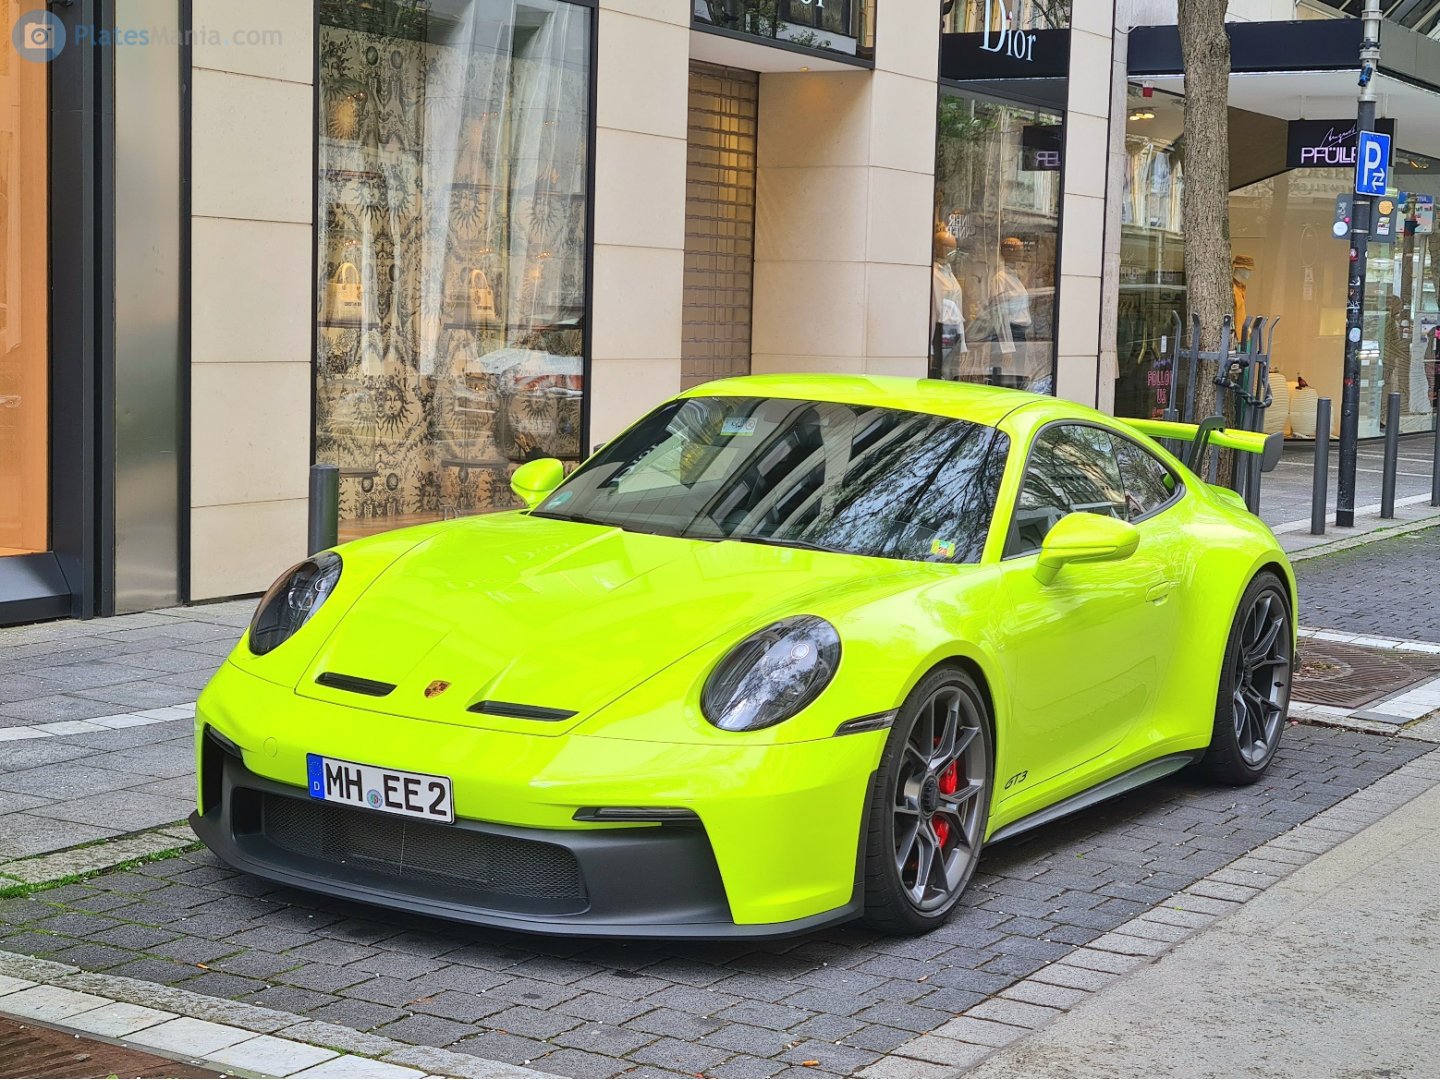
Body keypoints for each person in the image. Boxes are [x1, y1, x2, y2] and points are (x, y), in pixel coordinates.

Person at [931, 225, 966, 378]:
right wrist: (930, 348)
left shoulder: (951, 275)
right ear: (938, 248)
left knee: (953, 375)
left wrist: (962, 343)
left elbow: (958, 310)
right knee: (941, 374)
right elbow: (932, 311)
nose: (951, 252)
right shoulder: (933, 274)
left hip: (954, 332)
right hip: (940, 331)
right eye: (947, 247)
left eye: (953, 248)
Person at [990, 236, 1032, 346]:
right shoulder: (1001, 278)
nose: (1023, 253)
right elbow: (999, 313)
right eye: (1020, 250)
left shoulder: (1014, 277)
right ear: (1009, 252)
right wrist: (1006, 346)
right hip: (1011, 334)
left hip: (1019, 334)